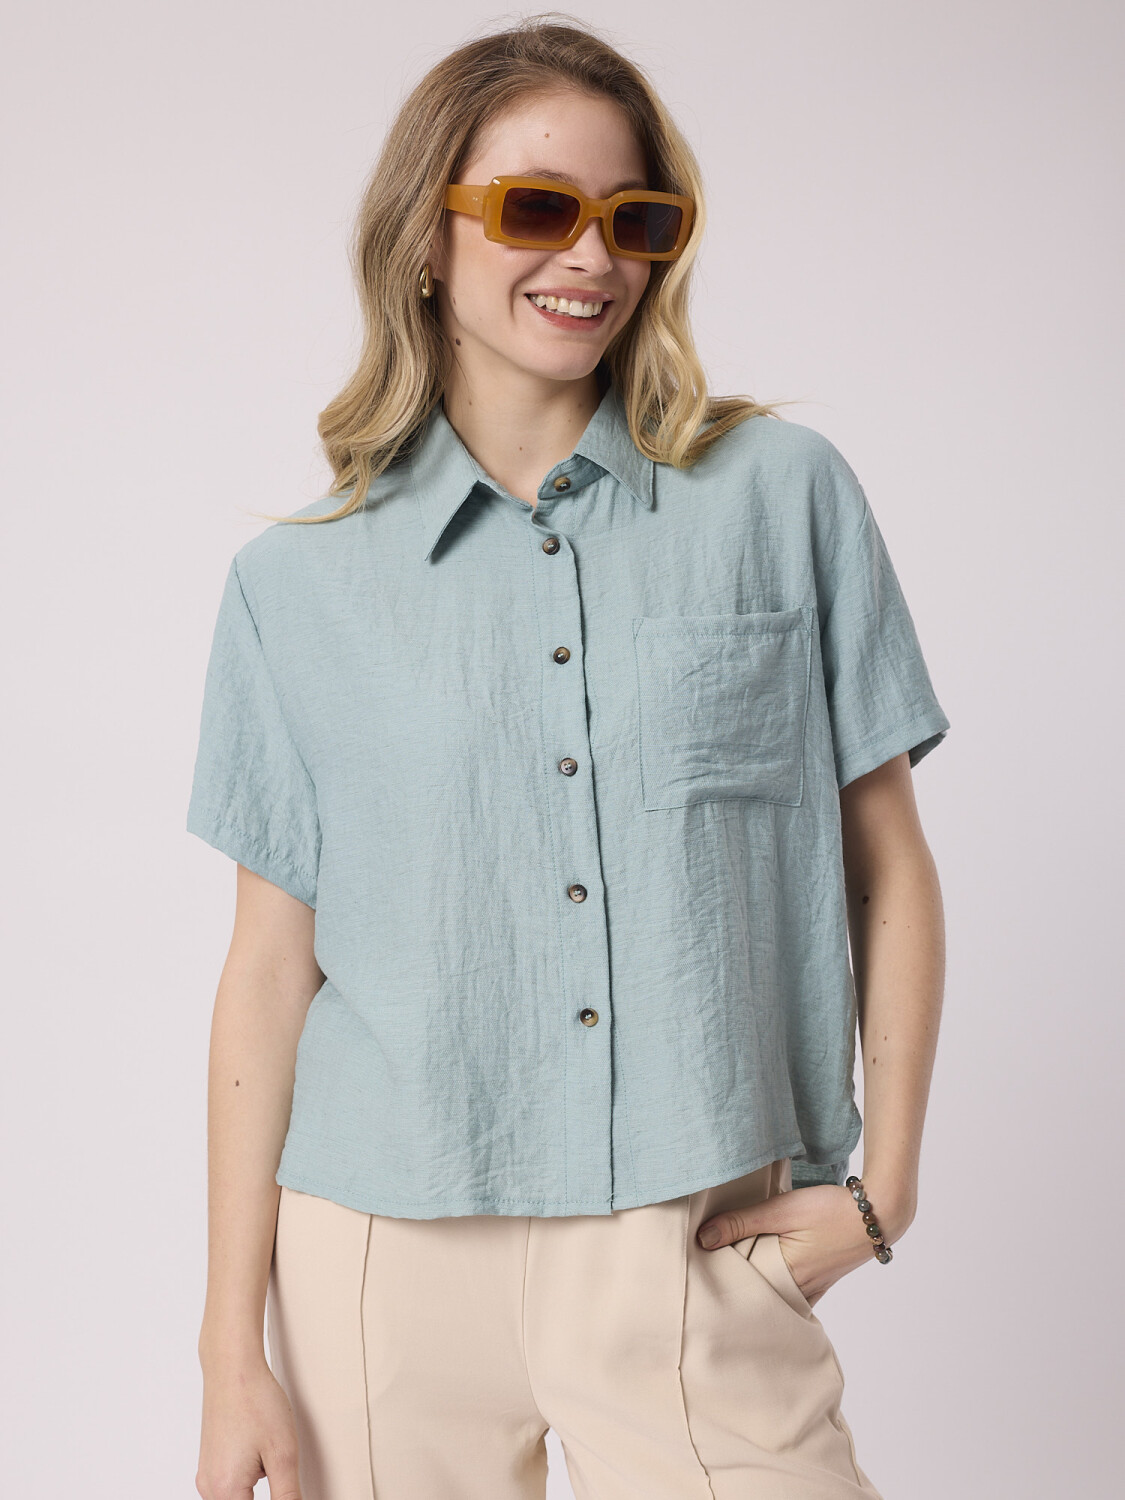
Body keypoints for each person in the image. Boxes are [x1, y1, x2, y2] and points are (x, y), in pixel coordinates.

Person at [188, 17, 950, 1500]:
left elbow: (888, 869)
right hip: (377, 1264)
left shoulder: (781, 497)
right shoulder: (294, 587)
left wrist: (886, 1188)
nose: (589, 259)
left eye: (634, 220)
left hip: (692, 1233)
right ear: (425, 237)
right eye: (538, 209)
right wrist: (230, 1349)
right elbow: (268, 973)